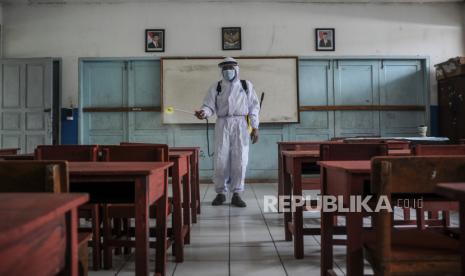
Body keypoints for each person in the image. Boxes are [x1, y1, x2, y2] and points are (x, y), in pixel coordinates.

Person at [195, 57, 260, 207]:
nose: (227, 71)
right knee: (220, 159)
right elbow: (209, 106)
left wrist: (255, 127)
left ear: (236, 69)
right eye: (224, 68)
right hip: (222, 123)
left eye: (230, 67)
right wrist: (203, 113)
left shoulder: (246, 85)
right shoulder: (216, 87)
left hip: (242, 124)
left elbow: (254, 108)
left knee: (240, 159)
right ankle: (221, 193)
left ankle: (237, 193)